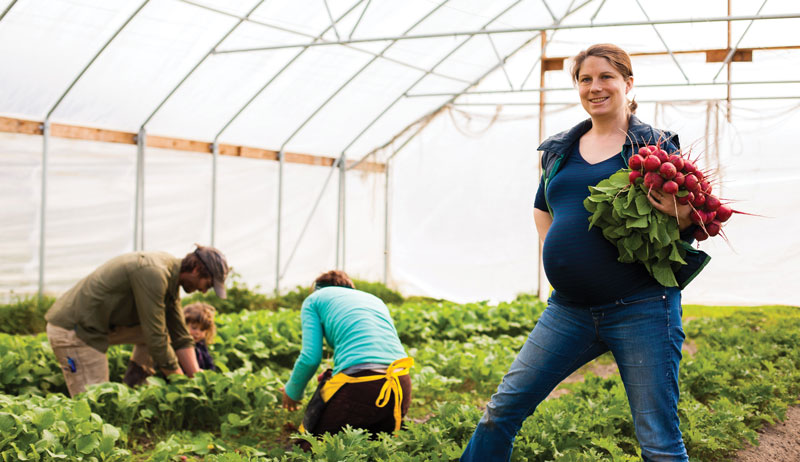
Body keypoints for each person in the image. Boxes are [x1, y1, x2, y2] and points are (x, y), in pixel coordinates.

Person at [461, 44, 709, 461]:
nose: (595, 87)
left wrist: (682, 215)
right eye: (585, 79)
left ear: (628, 84)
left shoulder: (655, 147)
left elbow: (692, 222)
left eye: (606, 77)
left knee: (658, 441)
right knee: (499, 412)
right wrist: (561, 252)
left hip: (642, 307)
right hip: (569, 310)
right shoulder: (559, 149)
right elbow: (543, 208)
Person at [45, 244, 229, 397]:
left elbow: (179, 334)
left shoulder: (171, 275)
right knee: (96, 402)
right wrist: (181, 383)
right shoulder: (154, 273)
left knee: (167, 335)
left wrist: (195, 378)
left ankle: (133, 386)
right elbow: (155, 336)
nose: (205, 291)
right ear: (197, 270)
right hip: (75, 332)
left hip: (100, 326)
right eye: (208, 284)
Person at [281, 270, 413, 440]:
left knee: (312, 447)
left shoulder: (315, 299)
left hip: (362, 384)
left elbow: (310, 358)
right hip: (401, 383)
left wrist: (292, 392)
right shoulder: (374, 300)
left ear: (317, 288)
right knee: (376, 447)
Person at [183, 302, 219, 372]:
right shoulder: (182, 347)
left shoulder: (201, 345)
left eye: (202, 330)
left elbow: (209, 364)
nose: (197, 333)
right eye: (194, 328)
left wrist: (208, 373)